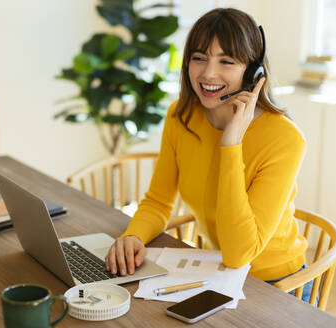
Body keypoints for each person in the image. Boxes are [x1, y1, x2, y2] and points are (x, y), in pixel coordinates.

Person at [104, 8, 316, 303]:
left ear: (254, 73)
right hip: (217, 272)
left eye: (226, 61)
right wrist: (133, 236)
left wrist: (231, 144)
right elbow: (158, 201)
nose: (207, 73)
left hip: (277, 285)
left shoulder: (284, 138)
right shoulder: (181, 116)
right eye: (199, 57)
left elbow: (239, 252)